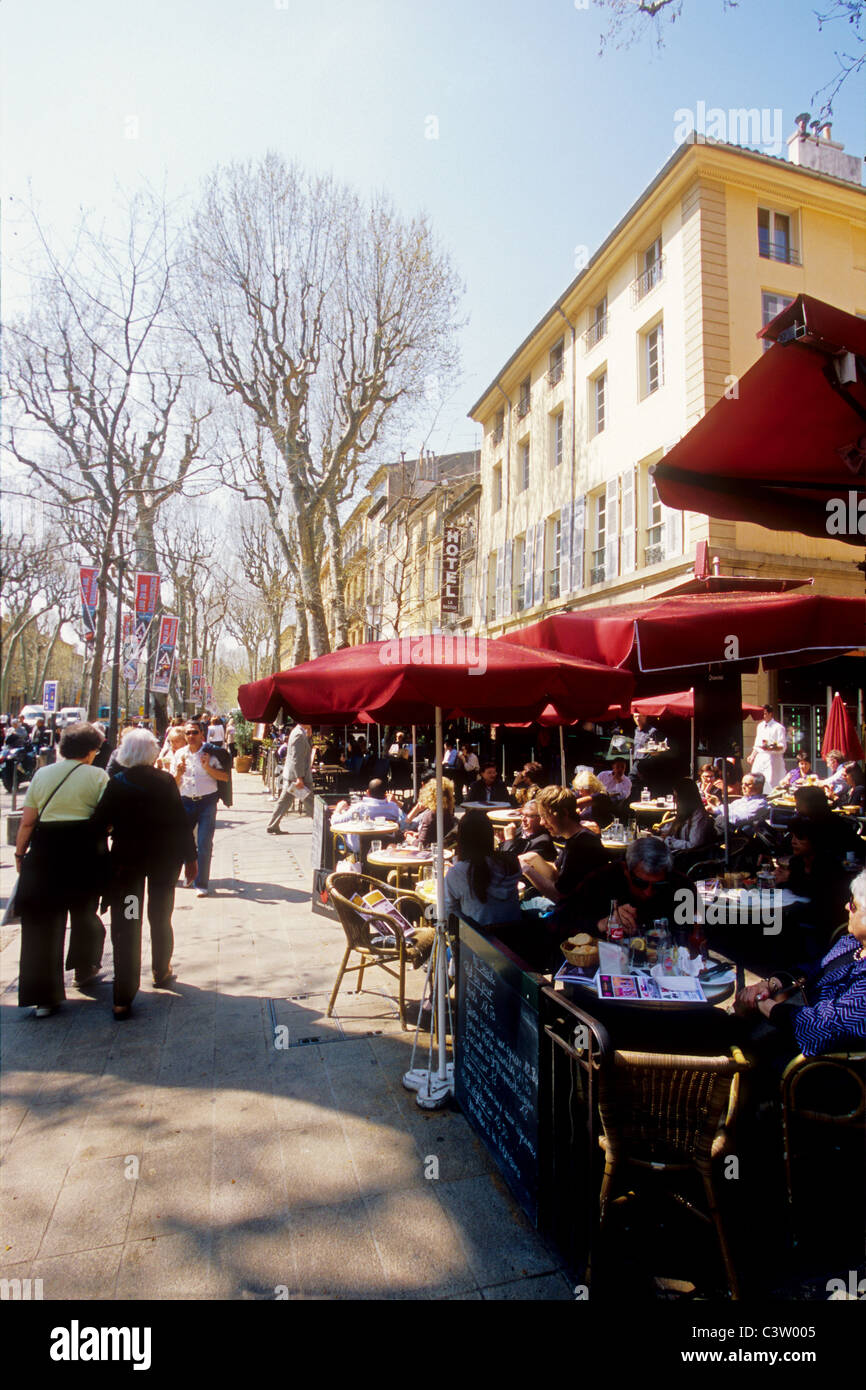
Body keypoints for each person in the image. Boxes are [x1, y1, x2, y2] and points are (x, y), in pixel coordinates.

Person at [91, 729, 197, 1019]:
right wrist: (191, 858)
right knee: (160, 916)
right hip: (164, 863)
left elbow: (100, 825)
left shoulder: (117, 783)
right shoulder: (164, 782)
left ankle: (122, 996)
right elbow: (180, 821)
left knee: (129, 922)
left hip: (129, 867)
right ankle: (161, 970)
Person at [14, 722, 109, 1017]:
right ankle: (84, 968)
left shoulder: (42, 774)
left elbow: (28, 821)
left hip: (45, 854)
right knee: (84, 913)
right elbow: (108, 820)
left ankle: (44, 997)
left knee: (41, 924)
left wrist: (20, 853)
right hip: (85, 854)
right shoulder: (98, 776)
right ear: (91, 750)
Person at [733, 869, 866, 1057]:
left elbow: (826, 1024)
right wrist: (769, 984)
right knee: (725, 1025)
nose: (846, 906)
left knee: (731, 1039)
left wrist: (761, 1002)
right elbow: (813, 968)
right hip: (792, 1020)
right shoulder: (851, 943)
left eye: (853, 905)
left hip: (815, 1059)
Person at [571, 835, 698, 941]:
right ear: (626, 870)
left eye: (658, 885)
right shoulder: (601, 881)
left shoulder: (682, 887)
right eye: (640, 883)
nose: (648, 892)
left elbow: (692, 934)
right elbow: (562, 922)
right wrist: (601, 924)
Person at [518, 785, 610, 920]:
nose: (542, 822)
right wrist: (535, 859)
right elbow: (557, 873)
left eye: (545, 816)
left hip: (583, 919)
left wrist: (526, 869)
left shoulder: (582, 846)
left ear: (565, 813)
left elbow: (559, 896)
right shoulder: (576, 838)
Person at [175, 721, 229, 895]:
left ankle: (202, 883)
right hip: (185, 802)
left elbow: (225, 777)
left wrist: (207, 767)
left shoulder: (211, 753)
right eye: (188, 733)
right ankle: (189, 873)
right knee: (184, 842)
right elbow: (174, 783)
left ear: (202, 735)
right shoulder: (179, 754)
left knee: (204, 842)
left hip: (207, 802)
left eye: (195, 733)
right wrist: (178, 773)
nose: (191, 736)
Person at [444, 810, 521, 929]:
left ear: (462, 838)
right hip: (514, 938)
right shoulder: (510, 863)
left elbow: (449, 911)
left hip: (479, 941)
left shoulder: (460, 872)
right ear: (490, 834)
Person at [331, 777, 407, 855]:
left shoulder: (360, 807)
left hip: (360, 848)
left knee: (336, 833)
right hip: (386, 845)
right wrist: (397, 803)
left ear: (368, 792)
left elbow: (335, 822)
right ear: (385, 794)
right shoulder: (393, 807)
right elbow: (405, 822)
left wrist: (338, 809)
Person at [267, 722, 314, 833]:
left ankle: (272, 825)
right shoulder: (298, 734)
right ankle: (323, 826)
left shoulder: (299, 733)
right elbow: (296, 758)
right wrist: (299, 778)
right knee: (311, 802)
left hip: (294, 776)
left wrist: (309, 736)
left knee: (285, 801)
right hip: (298, 777)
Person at [657, 777, 716, 854]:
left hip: (689, 857)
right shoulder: (685, 812)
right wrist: (661, 831)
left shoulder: (699, 816)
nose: (675, 800)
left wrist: (669, 841)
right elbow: (676, 828)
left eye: (677, 796)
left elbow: (694, 845)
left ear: (684, 797)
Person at [403, 777, 455, 848]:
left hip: (427, 852)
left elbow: (421, 844)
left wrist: (411, 839)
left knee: (391, 846)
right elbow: (434, 835)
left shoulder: (430, 815)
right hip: (441, 848)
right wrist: (418, 834)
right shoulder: (447, 812)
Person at [747, 704, 787, 792]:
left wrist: (771, 748)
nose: (763, 716)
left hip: (772, 758)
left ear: (770, 714)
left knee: (770, 782)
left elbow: (782, 746)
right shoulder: (760, 726)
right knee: (756, 779)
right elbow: (757, 744)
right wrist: (752, 755)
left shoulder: (778, 727)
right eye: (762, 714)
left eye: (765, 713)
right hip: (760, 758)